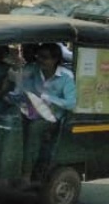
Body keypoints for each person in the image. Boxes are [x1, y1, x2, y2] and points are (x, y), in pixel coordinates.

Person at [8, 42, 76, 180]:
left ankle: (26, 175)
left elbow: (71, 103)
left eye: (45, 57)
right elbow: (21, 88)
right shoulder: (33, 69)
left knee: (34, 130)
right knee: (10, 123)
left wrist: (50, 98)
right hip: (31, 111)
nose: (40, 60)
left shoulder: (66, 77)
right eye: (38, 57)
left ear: (55, 59)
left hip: (52, 117)